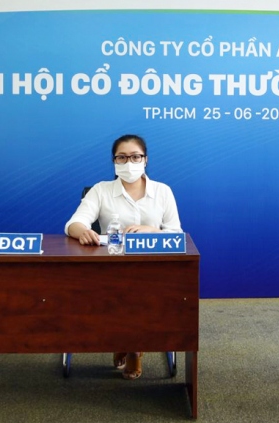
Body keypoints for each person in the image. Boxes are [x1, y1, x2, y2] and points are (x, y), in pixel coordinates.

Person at [64, 134, 182, 380]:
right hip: (112, 267)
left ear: (145, 160)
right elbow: (74, 223)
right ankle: (129, 344)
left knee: (143, 291)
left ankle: (131, 347)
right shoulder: (101, 190)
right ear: (114, 161)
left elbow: (176, 234)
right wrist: (83, 231)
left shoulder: (163, 191)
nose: (129, 162)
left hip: (154, 269)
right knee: (123, 291)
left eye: (135, 157)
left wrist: (152, 230)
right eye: (122, 157)